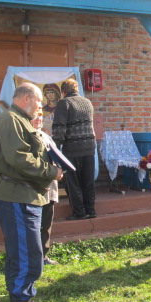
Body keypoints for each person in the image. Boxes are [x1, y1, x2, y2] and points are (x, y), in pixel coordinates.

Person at [0, 83, 63, 302]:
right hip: (17, 196)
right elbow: (19, 158)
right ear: (27, 98)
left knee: (24, 256)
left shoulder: (19, 120)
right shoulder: (11, 119)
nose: (41, 106)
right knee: (26, 258)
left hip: (26, 195)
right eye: (39, 101)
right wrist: (51, 172)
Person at [52, 78, 97, 221]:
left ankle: (79, 212)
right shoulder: (87, 102)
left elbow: (59, 128)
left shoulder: (64, 103)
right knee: (88, 181)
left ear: (63, 91)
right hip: (89, 148)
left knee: (73, 183)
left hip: (72, 149)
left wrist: (55, 147)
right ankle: (91, 210)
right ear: (76, 89)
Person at [31, 111, 59, 266]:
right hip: (35, 189)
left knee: (46, 224)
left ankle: (43, 256)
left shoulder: (46, 136)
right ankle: (33, 257)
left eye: (41, 115)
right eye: (35, 115)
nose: (39, 118)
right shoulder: (26, 138)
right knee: (34, 225)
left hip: (49, 187)